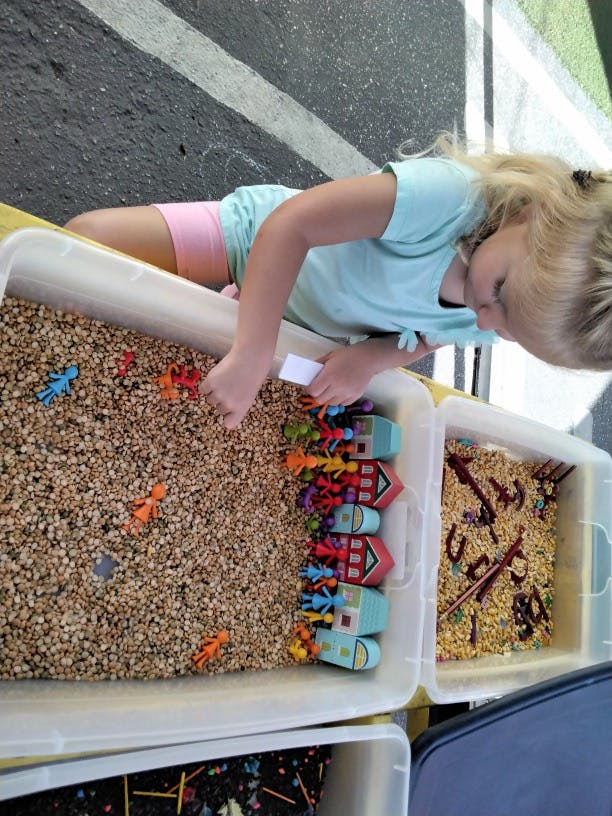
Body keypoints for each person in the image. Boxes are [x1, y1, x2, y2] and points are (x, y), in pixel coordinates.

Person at [64, 135, 612, 428]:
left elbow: (439, 332)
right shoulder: (448, 199)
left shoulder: (512, 310)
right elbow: (292, 224)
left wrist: (375, 358)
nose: (486, 319)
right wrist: (252, 352)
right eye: (498, 297)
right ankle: (240, 312)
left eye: (508, 330)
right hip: (252, 243)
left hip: (304, 333)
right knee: (84, 242)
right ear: (530, 216)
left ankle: (240, 316)